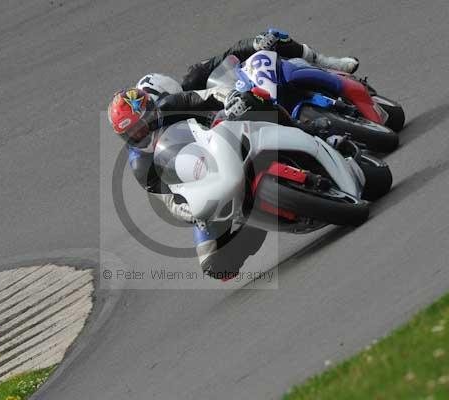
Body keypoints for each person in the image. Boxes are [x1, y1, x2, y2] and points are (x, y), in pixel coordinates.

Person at [107, 87, 337, 280]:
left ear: (153, 110)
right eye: (135, 133)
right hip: (204, 184)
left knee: (254, 99)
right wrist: (196, 212)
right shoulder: (141, 167)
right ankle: (257, 220)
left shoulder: (172, 104)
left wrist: (231, 99)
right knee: (215, 266)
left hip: (221, 137)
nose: (144, 133)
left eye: (145, 123)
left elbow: (211, 94)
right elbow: (171, 201)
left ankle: (307, 130)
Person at [182, 28, 359, 91]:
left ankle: (323, 62)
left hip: (249, 80)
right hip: (242, 122)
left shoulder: (191, 80)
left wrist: (255, 45)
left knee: (271, 37)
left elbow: (230, 53)